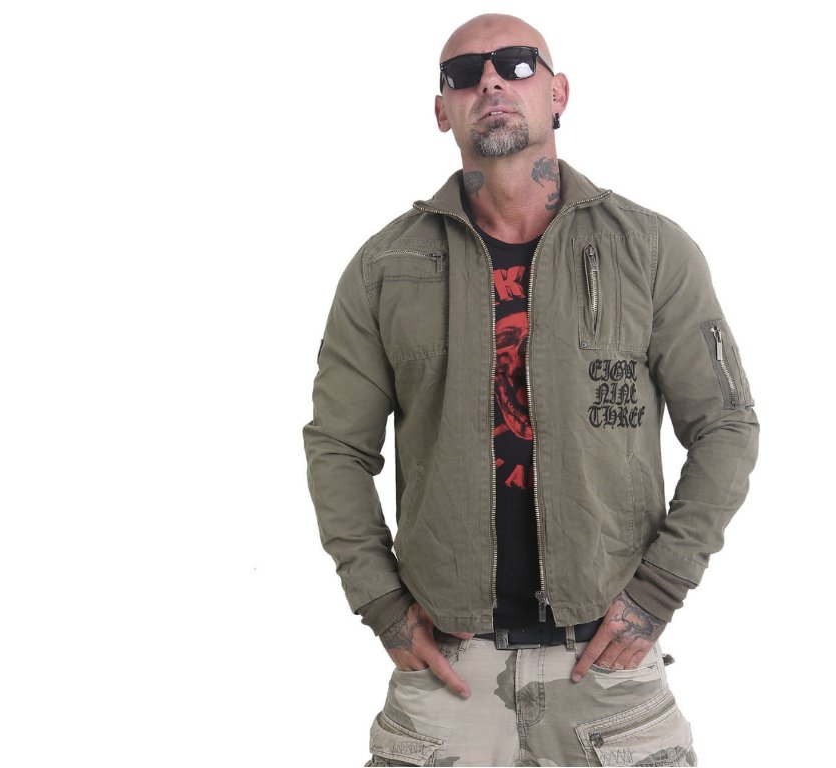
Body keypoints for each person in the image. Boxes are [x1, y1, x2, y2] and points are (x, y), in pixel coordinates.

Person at [303, 13, 758, 766]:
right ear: (441, 110)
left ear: (559, 92)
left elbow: (726, 426)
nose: (490, 82)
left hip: (608, 670)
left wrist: (659, 590)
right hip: (449, 674)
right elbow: (337, 448)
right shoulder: (386, 268)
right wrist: (382, 604)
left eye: (517, 64)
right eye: (463, 74)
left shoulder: (649, 251)